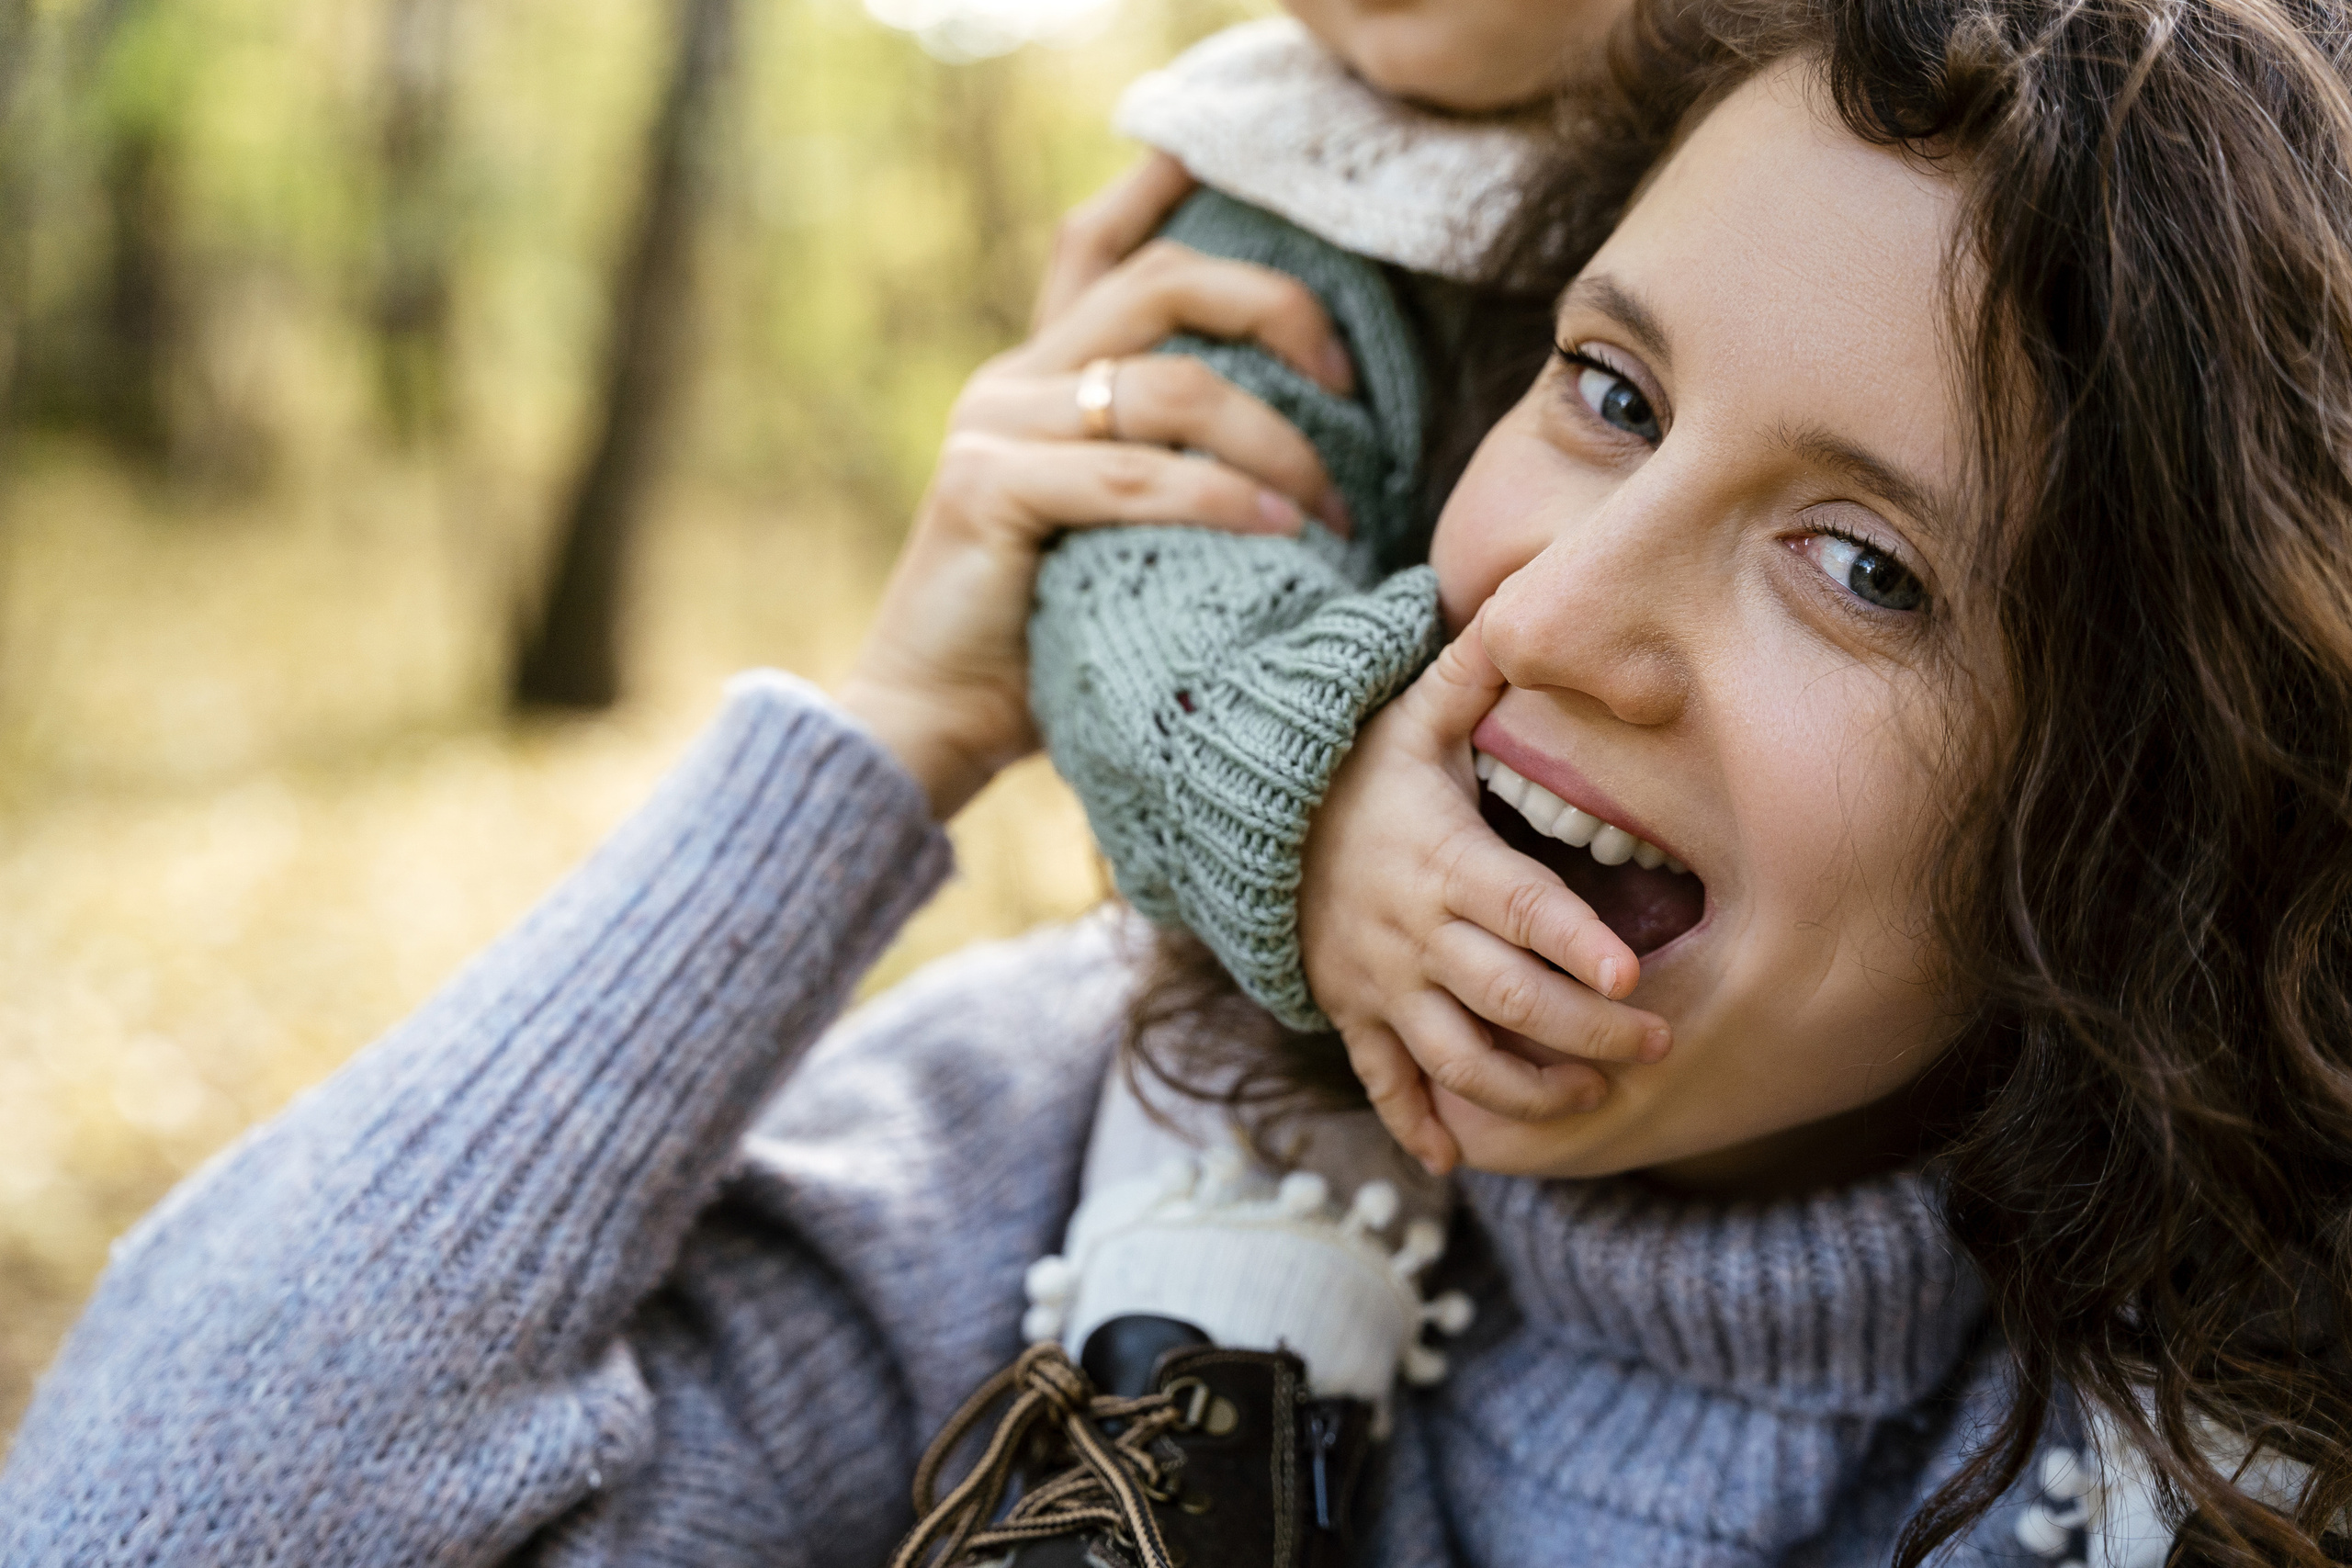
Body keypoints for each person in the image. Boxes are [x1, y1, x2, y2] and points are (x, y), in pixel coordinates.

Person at [6, 3, 2352, 1568]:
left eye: (1860, 566)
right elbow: (156, 1515)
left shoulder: (2239, 1452)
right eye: (1606, 396)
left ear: (2156, 775)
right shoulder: (1098, 1153)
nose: (1542, 617)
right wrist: (885, 745)